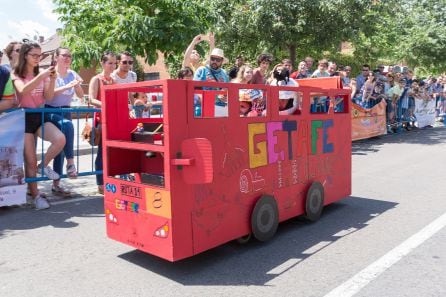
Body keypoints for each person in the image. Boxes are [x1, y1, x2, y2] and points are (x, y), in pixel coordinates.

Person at [11, 42, 66, 209]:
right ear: (25, 56)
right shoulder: (16, 73)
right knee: (30, 159)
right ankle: (35, 195)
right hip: (24, 117)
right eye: (34, 55)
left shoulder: (41, 73)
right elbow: (23, 91)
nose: (37, 58)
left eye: (39, 55)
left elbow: (48, 96)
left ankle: (43, 167)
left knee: (60, 139)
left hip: (39, 115)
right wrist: (42, 77)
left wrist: (52, 80)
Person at [45, 47, 84, 196]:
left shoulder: (73, 73)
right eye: (64, 55)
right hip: (51, 110)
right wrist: (67, 86)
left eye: (70, 56)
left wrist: (77, 84)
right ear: (56, 57)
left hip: (66, 111)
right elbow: (48, 96)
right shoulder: (51, 73)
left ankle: (56, 184)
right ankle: (71, 163)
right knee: (67, 127)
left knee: (61, 145)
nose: (67, 58)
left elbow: (80, 95)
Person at [88, 51, 116, 194]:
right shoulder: (96, 79)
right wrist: (106, 105)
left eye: (114, 63)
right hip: (101, 120)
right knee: (101, 153)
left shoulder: (113, 80)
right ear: (102, 63)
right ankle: (100, 183)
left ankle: (109, 180)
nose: (112, 66)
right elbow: (91, 99)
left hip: (111, 120)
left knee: (111, 152)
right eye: (110, 63)